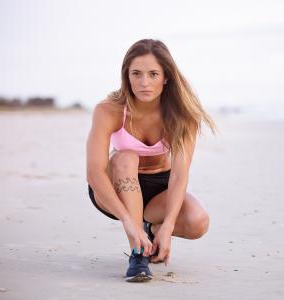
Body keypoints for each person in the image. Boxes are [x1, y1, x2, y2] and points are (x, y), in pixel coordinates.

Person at [86, 39, 216, 282]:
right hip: (115, 188)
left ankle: (150, 230)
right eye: (136, 73)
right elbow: (94, 172)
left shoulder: (183, 115)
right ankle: (138, 254)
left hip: (159, 190)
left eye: (153, 74)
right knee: (126, 157)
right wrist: (127, 220)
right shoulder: (109, 110)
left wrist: (166, 227)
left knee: (198, 222)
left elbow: (179, 174)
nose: (144, 82)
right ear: (127, 76)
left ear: (166, 77)